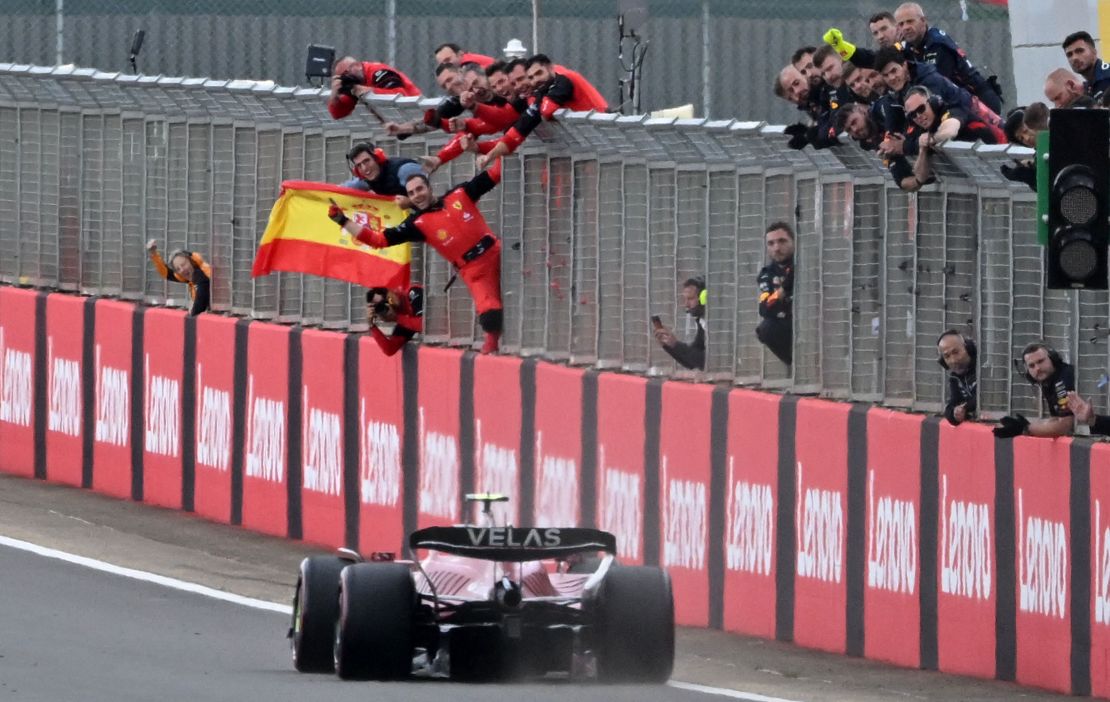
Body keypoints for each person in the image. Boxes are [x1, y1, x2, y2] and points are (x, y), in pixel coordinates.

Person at [328, 165, 505, 354]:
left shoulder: (460, 193)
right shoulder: (416, 224)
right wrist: (343, 221)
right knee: (490, 316)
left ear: (429, 187)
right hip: (474, 271)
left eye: (420, 189)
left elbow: (495, 173)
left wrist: (508, 143)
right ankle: (493, 349)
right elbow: (377, 240)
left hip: (499, 252)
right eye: (411, 193)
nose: (417, 195)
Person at [476, 54, 609, 169]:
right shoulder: (539, 94)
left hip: (601, 142)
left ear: (550, 68)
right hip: (581, 146)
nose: (519, 86)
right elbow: (515, 129)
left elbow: (546, 110)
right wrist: (487, 154)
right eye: (515, 83)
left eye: (521, 79)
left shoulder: (562, 80)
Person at [994, 342, 1075, 438]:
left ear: (1053, 359)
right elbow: (1056, 419)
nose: (1037, 368)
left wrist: (1025, 428)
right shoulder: (1049, 381)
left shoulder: (1062, 380)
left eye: (1041, 361)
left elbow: (1065, 425)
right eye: (1031, 366)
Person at [327, 57, 421, 120]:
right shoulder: (354, 83)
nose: (346, 77)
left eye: (347, 72)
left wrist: (370, 91)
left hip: (416, 114)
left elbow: (400, 94)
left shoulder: (377, 71)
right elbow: (337, 114)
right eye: (342, 76)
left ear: (357, 65)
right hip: (398, 122)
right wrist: (334, 95)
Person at [757, 222, 794, 366]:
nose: (777, 248)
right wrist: (784, 289)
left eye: (782, 241)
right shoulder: (767, 274)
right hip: (788, 323)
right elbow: (765, 308)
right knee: (765, 329)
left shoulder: (804, 263)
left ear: (793, 241)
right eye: (771, 244)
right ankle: (794, 365)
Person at [651, 277, 706, 371]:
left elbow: (704, 361)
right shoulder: (702, 322)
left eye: (690, 299)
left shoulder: (719, 326)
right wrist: (669, 345)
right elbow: (691, 361)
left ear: (704, 298)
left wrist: (675, 344)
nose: (686, 304)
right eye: (685, 299)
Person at [145, 239, 211, 316]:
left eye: (183, 264)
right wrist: (154, 254)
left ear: (191, 261)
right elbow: (167, 273)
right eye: (178, 269)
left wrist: (191, 315)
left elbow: (200, 303)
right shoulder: (188, 276)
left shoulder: (202, 275)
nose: (182, 270)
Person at [340, 141, 423, 202]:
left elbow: (427, 196)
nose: (364, 168)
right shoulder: (367, 180)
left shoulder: (404, 170)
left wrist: (410, 203)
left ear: (377, 158)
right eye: (359, 165)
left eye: (367, 161)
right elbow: (341, 189)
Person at [365, 285, 424, 356]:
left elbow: (425, 325)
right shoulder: (402, 318)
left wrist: (397, 318)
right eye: (382, 306)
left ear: (390, 292)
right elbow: (389, 349)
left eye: (386, 300)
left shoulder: (413, 292)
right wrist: (372, 326)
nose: (389, 304)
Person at [937, 330, 977, 425]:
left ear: (968, 349)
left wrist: (965, 407)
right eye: (947, 356)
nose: (953, 360)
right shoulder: (955, 378)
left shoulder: (984, 369)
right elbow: (951, 405)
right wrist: (956, 413)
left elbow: (983, 399)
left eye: (956, 352)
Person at [1061, 31, 1110, 103]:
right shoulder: (1086, 89)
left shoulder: (1107, 77)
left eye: (1080, 51)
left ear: (1094, 52)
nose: (1074, 58)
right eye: (1069, 55)